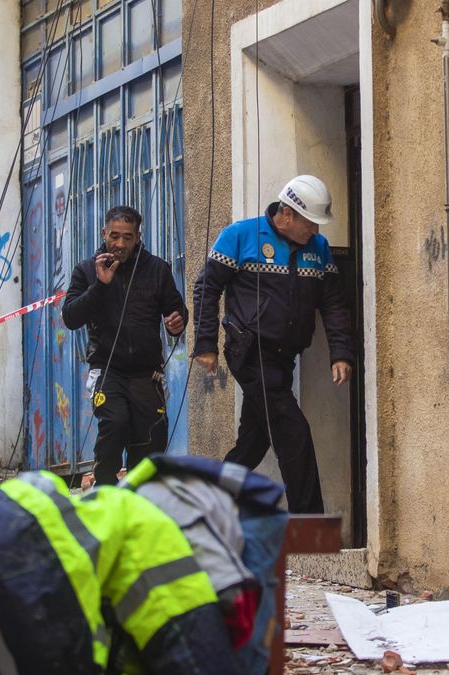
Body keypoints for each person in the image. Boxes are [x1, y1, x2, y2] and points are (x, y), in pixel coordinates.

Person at [190, 175, 354, 513]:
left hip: (284, 357)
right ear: (288, 213)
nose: (316, 232)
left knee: (255, 440)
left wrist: (341, 352)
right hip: (249, 352)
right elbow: (207, 289)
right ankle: (310, 529)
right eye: (311, 224)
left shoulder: (318, 250)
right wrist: (205, 343)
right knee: (293, 431)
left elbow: (333, 303)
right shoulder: (240, 236)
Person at [62, 206, 188, 486]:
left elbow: (176, 309)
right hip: (107, 370)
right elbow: (70, 317)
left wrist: (177, 321)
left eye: (127, 237)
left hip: (148, 372)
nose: (120, 244)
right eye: (114, 236)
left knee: (151, 439)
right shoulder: (86, 269)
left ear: (138, 237)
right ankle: (104, 489)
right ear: (103, 233)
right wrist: (100, 287)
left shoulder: (157, 269)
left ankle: (138, 500)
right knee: (115, 424)